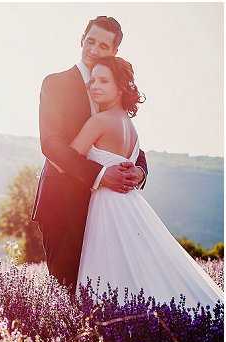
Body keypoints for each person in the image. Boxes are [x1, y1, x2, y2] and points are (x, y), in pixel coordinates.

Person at [73, 56, 223, 307]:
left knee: (107, 274)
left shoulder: (98, 121)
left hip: (106, 205)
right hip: (130, 204)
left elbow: (68, 158)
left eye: (103, 81)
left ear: (121, 87)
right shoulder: (130, 126)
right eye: (92, 80)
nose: (94, 86)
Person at [31, 16, 148, 294]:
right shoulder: (56, 83)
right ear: (81, 40)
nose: (94, 49)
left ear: (114, 52)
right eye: (90, 41)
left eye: (103, 45)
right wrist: (99, 175)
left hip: (106, 210)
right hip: (62, 203)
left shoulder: (113, 92)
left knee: (108, 290)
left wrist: (141, 171)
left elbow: (131, 143)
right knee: (68, 290)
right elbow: (51, 143)